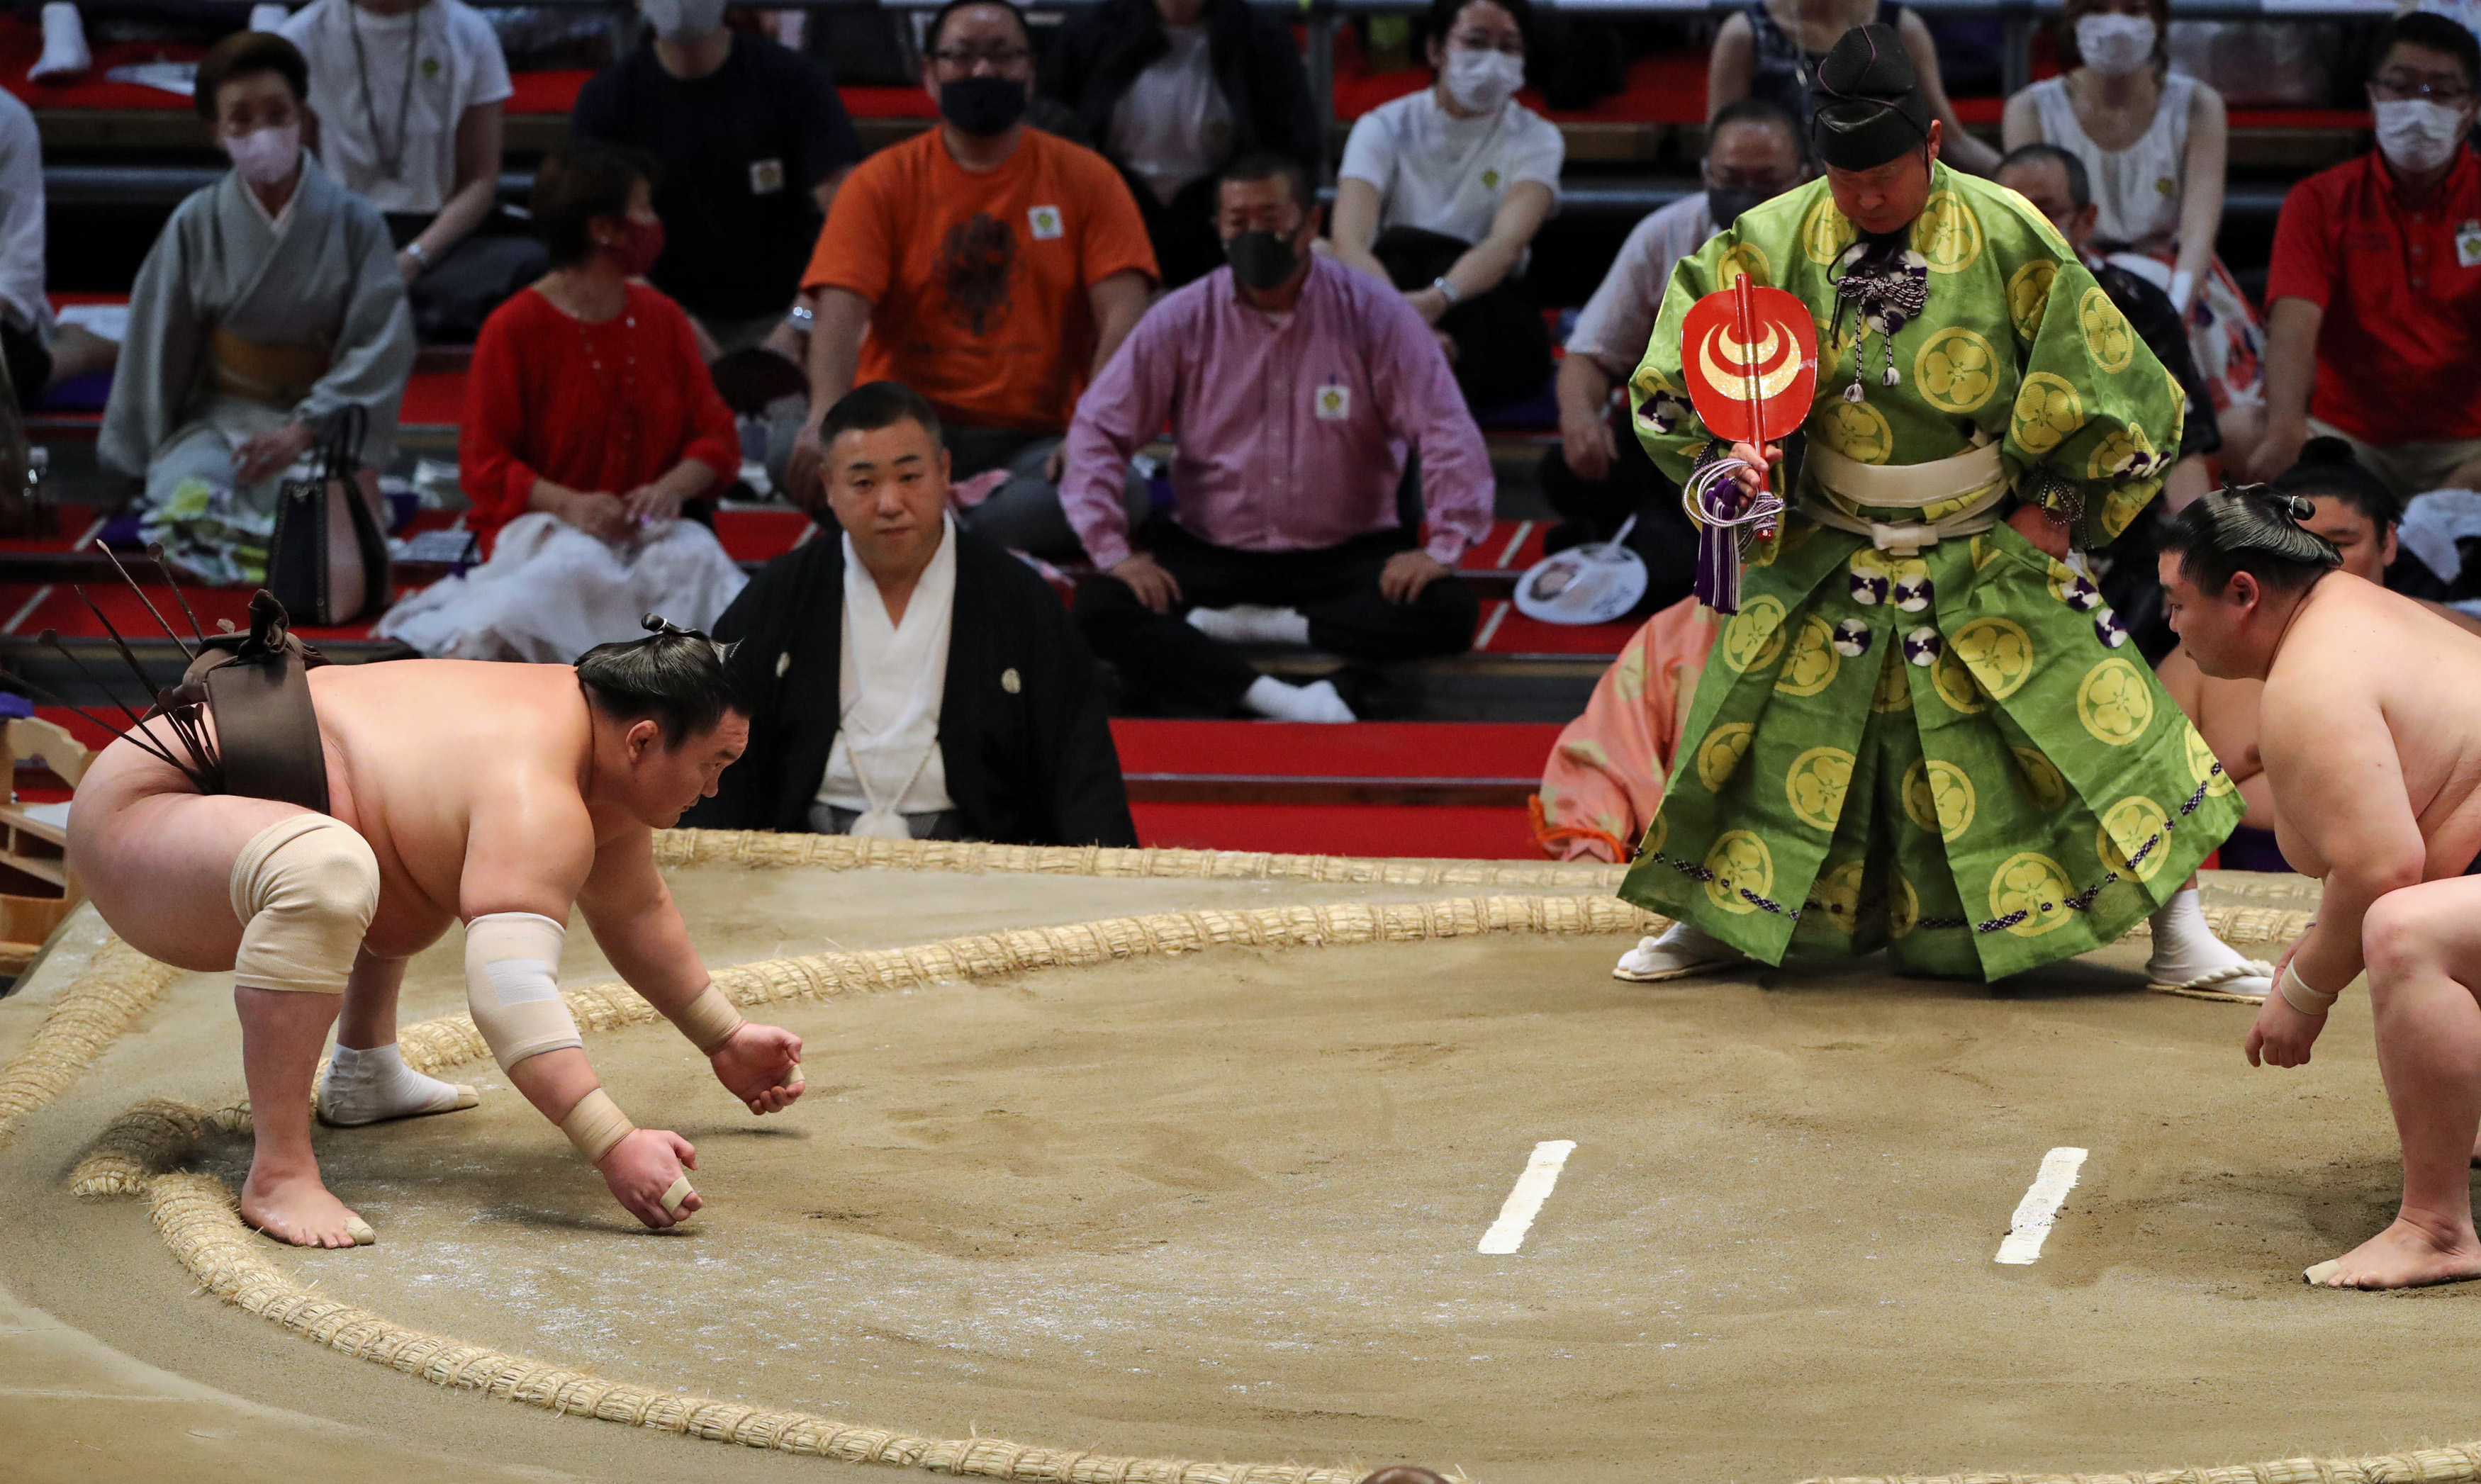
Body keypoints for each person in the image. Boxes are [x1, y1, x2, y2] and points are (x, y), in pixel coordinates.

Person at [1608, 25, 2266, 999]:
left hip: (1984, 534)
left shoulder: (2008, 230)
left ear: (1930, 141)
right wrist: (1733, 464)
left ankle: (2179, 934)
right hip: (1824, 534)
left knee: (2106, 727)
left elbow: (2119, 385)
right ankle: (1717, 922)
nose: (1866, 196)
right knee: (1751, 732)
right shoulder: (1765, 241)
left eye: (1884, 173)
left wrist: (2057, 507)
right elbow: (1673, 381)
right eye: (1845, 177)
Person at [65, 615, 804, 1247]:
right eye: (714, 764)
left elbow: (636, 908)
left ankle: (365, 1070)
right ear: (643, 740)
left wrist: (724, 1037)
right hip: (145, 825)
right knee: (328, 866)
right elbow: (509, 991)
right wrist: (612, 1141)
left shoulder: (594, 738)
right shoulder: (534, 788)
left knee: (394, 834)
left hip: (240, 812)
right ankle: (279, 1171)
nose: (713, 789)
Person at [2154, 488, 2481, 1290]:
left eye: (2175, 603)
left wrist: (2301, 991)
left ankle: (2433, 1228)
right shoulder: (2367, 612)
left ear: (2241, 593)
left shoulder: (2312, 677)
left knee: (2406, 931)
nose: (2169, 625)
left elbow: (2380, 869)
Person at [1063, 154, 1489, 723]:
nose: (1254, 233)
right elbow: (1097, 429)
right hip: (1213, 553)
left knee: (1448, 610)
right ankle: (1283, 698)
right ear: (1218, 228)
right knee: (1099, 607)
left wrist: (1443, 545)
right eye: (1237, 221)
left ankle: (1254, 640)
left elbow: (1444, 427)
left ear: (1310, 224)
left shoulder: (1376, 312)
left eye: (1272, 217)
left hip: (1348, 555)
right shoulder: (1182, 317)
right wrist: (1113, 551)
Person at [788, 0, 1159, 563]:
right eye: (962, 57)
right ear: (929, 74)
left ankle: (909, 535)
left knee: (1123, 489)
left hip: (1036, 440)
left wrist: (1093, 431)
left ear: (1030, 70)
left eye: (1002, 56)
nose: (983, 71)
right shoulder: (880, 181)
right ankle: (956, 536)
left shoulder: (1087, 178)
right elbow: (836, 306)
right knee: (787, 446)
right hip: (900, 429)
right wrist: (824, 416)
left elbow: (1128, 310)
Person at [690, 381, 1136, 845]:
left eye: (909, 478)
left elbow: (1080, 768)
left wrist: (1108, 883)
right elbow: (714, 759)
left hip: (977, 867)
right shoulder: (779, 596)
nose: (889, 504)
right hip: (803, 857)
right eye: (863, 483)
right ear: (828, 486)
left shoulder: (1019, 598)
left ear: (944, 471)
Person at [378, 141, 744, 661]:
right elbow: (485, 463)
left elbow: (717, 434)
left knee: (700, 560)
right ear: (604, 229)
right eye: (642, 207)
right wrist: (570, 504)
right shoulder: (513, 328)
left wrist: (667, 489)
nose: (652, 221)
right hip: (549, 528)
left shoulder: (662, 317)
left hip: (648, 529)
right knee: (572, 568)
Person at [100, 30, 415, 588]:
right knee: (188, 491)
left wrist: (304, 429)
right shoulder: (197, 222)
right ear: (217, 133)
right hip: (224, 416)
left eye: (277, 112)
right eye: (240, 118)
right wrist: (139, 454)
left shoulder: (355, 222)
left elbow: (379, 342)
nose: (262, 131)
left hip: (322, 427)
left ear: (304, 118)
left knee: (317, 511)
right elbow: (158, 341)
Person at [2156, 440, 2481, 874]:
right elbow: (2150, 803)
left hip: (2427, 881)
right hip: (2238, 882)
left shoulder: (2455, 638)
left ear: (2387, 542)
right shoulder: (2196, 659)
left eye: (2342, 542)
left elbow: (2385, 867)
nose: (2319, 561)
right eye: (2299, 544)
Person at [1545, 98, 1809, 607]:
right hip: (1680, 430)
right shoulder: (1663, 234)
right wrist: (1579, 419)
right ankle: (1655, 536)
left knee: (1687, 562)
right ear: (1706, 173)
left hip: (1791, 439)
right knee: (1565, 469)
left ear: (1804, 177)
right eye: (1732, 177)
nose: (1747, 193)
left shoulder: (1833, 245)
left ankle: (1658, 547)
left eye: (1767, 180)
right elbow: (1591, 353)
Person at [2002, 0, 2263, 476]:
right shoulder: (2030, 107)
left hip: (2184, 280)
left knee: (2238, 432)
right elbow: (2033, 223)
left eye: (2134, 7)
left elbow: (2200, 222)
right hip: (2077, 281)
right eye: (2099, 6)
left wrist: (2175, 305)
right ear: (2073, 20)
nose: (2117, 21)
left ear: (2159, 20)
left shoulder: (2200, 104)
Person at [2247, 13, 2481, 498]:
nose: (2420, 105)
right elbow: (2294, 323)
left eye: (2442, 90)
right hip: (2350, 442)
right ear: (2373, 98)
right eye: (2401, 86)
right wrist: (2287, 428)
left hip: (2470, 445)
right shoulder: (2318, 199)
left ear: (2472, 109)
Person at [570, 0, 862, 358]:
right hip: (655, 322)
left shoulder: (793, 80)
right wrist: (671, 325)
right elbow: (589, 238)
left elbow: (850, 223)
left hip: (787, 319)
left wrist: (798, 322)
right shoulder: (607, 100)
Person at [1329, 0, 1562, 411]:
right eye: (1476, 42)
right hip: (1391, 292)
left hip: (1482, 302)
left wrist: (1436, 301)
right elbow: (1349, 240)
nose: (1492, 60)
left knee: (1452, 292)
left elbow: (1505, 245)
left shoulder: (1537, 138)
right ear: (1436, 50)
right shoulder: (1381, 127)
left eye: (1508, 48)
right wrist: (1402, 317)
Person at [279, 0, 544, 342]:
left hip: (443, 238)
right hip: (340, 234)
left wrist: (414, 259)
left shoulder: (470, 31)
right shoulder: (301, 36)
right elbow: (293, 176)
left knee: (534, 266)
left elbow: (479, 180)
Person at [1995, 142, 2217, 512]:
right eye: (2007, 211)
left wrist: (2198, 553)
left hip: (2114, 517)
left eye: (2045, 210)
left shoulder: (2139, 305)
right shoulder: (1964, 303)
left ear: (2086, 220)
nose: (2025, 225)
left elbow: (2181, 445)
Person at [1041, 0, 1320, 288]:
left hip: (1223, 215)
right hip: (1116, 204)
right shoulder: (1088, 31)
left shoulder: (1259, 34)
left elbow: (1296, 147)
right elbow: (1052, 135)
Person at [1706, 0, 2000, 176]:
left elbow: (1952, 142)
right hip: (1775, 205)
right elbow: (1719, 151)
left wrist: (2016, 179)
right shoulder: (1742, 35)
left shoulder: (1903, 28)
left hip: (1877, 202)